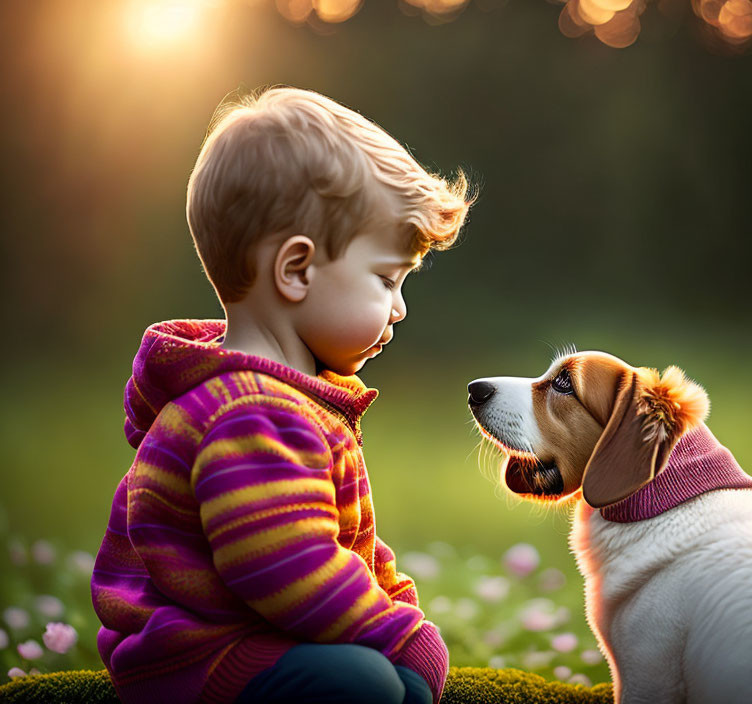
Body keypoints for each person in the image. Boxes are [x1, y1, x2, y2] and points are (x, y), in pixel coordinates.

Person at [90, 86, 473, 704]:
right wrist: (399, 636)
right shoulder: (250, 415)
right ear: (296, 270)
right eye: (386, 279)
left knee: (383, 680)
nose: (399, 308)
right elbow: (288, 566)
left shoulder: (291, 399)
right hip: (200, 657)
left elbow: (353, 547)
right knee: (366, 683)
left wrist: (398, 610)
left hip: (260, 639)